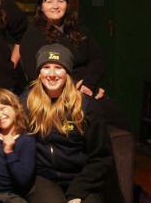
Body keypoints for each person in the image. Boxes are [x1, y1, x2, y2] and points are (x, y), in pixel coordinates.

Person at [19, 0, 129, 130]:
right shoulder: (32, 35)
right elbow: (36, 75)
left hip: (85, 89)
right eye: (49, 1)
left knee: (117, 116)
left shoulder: (79, 29)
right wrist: (76, 90)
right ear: (41, 6)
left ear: (67, 5)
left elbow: (98, 60)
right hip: (53, 94)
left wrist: (89, 85)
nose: (55, 6)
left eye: (60, 1)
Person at [23, 44, 112, 203]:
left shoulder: (87, 107)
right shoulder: (26, 103)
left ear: (67, 72)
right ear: (39, 73)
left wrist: (77, 192)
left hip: (81, 178)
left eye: (58, 67)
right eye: (46, 67)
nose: (51, 74)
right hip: (43, 178)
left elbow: (101, 157)